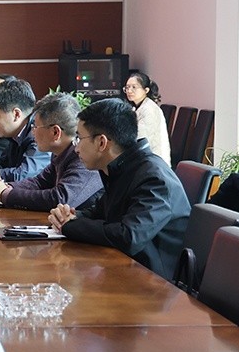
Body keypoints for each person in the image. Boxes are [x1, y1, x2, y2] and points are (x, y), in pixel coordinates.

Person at [48, 98, 190, 282]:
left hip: (153, 284)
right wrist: (71, 216)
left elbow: (129, 236)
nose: (76, 148)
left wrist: (70, 226)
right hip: (123, 269)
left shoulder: (153, 178)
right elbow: (101, 212)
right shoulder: (122, 167)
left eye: (79, 138)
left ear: (101, 142)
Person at [0, 92, 103, 211]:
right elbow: (39, 182)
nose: (32, 132)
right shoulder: (61, 153)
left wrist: (6, 193)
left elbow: (59, 198)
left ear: (55, 132)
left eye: (35, 126)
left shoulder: (84, 157)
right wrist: (6, 187)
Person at [123, 72, 170, 165]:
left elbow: (140, 139)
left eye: (134, 87)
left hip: (155, 163)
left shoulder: (149, 109)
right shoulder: (136, 107)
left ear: (146, 90)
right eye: (127, 87)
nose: (129, 91)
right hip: (144, 158)